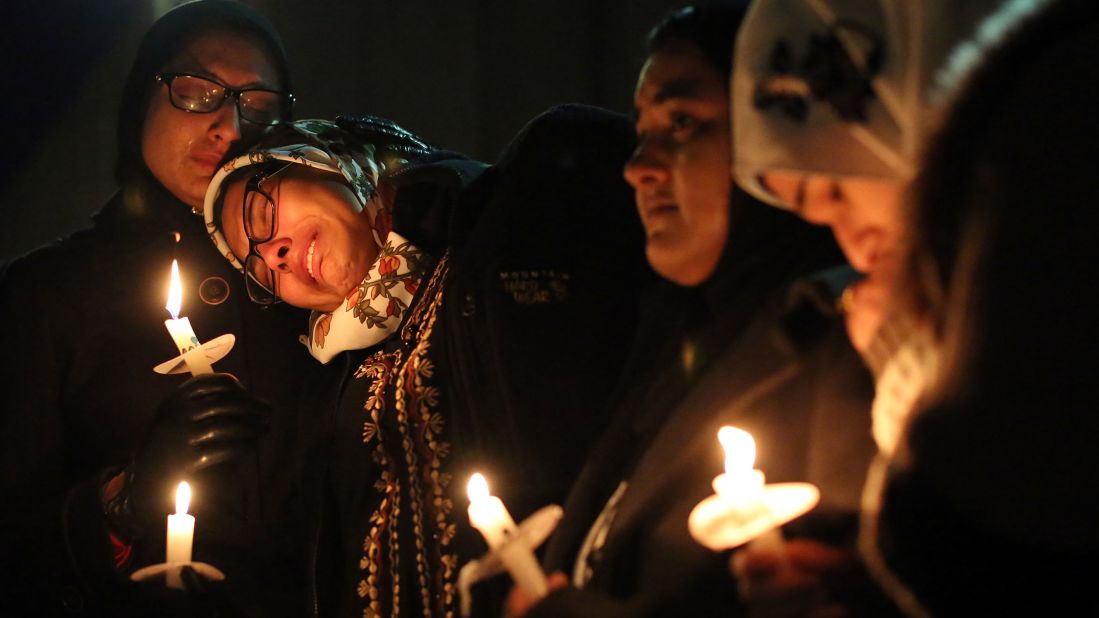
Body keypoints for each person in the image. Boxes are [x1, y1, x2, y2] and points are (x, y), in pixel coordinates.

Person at [202, 107, 649, 617]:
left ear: (328, 161)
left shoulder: (505, 222)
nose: (273, 257)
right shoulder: (322, 394)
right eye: (256, 267)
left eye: (261, 215)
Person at [510, 4, 882, 616]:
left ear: (772, 135)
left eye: (681, 122)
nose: (638, 168)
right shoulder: (671, 341)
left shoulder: (842, 339)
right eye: (641, 132)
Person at [732, 0, 1099, 614]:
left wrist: (908, 356)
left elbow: (1003, 531)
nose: (852, 245)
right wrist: (866, 586)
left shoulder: (1059, 168)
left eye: (836, 190)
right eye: (818, 221)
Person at [0, 2, 321, 615]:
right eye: (198, 91)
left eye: (257, 105)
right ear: (139, 99)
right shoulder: (44, 295)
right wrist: (120, 504)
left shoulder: (308, 277)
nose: (229, 125)